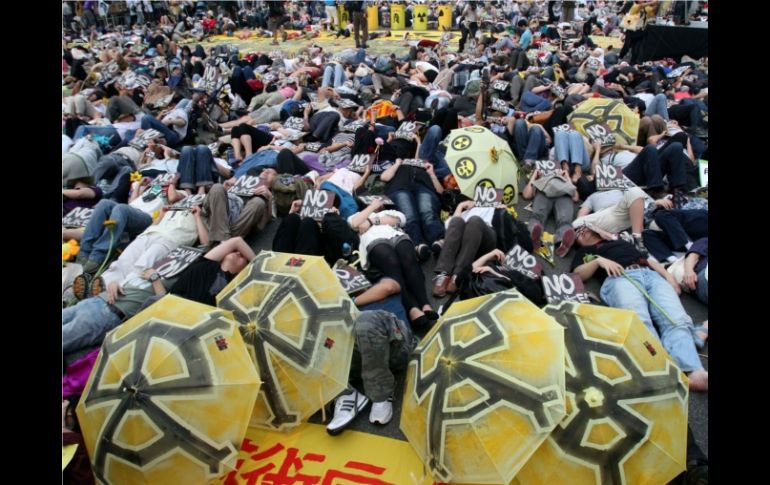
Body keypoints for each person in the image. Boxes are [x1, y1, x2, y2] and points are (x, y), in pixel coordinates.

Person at [570, 222, 707, 392]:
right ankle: (659, 369)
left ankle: (693, 370)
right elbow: (577, 275)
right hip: (620, 277)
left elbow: (649, 260)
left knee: (676, 319)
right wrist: (598, 261)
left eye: (585, 229)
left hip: (652, 276)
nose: (582, 232)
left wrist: (669, 278)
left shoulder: (622, 242)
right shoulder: (585, 252)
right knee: (639, 320)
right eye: (577, 233)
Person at [63, 237, 255, 354]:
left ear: (243, 269)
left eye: (242, 257)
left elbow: (166, 303)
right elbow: (235, 241)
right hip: (99, 301)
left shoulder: (231, 289)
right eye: (236, 252)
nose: (237, 253)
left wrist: (256, 265)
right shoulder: (204, 265)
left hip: (112, 315)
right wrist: (115, 283)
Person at [326, 310, 419, 434]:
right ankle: (343, 393)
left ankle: (381, 392)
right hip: (345, 348)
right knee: (308, 340)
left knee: (366, 320)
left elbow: (390, 289)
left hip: (388, 339)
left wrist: (354, 299)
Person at [522, 168, 578, 258]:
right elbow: (526, 195)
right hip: (544, 192)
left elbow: (575, 197)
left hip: (563, 194)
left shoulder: (564, 180)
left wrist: (567, 177)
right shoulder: (540, 179)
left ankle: (564, 242)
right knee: (538, 217)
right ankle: (535, 233)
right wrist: (534, 176)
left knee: (564, 220)